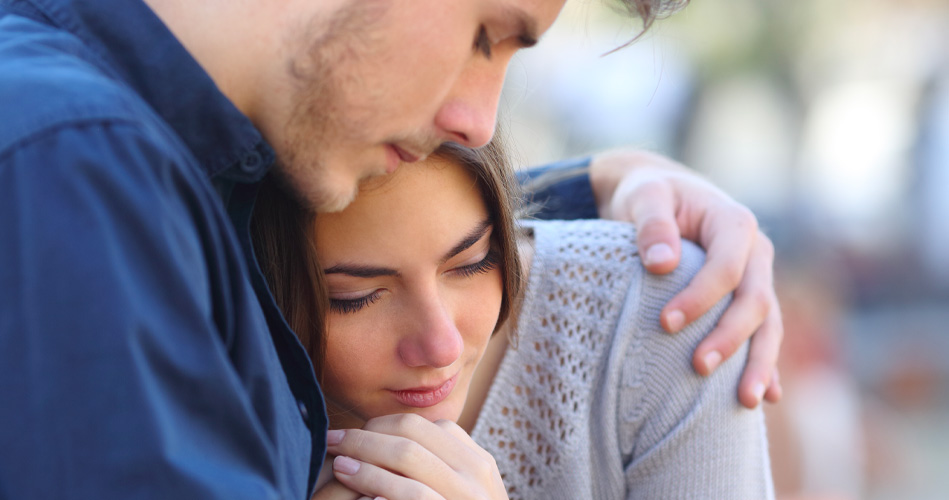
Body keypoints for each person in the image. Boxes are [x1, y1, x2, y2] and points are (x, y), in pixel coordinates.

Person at [0, 0, 780, 498]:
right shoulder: (73, 168)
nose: (478, 120)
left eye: (470, 259)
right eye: (484, 35)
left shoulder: (139, 160)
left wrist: (599, 183)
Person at [251, 137, 774, 499]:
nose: (443, 346)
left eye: (473, 262)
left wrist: (605, 175)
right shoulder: (216, 382)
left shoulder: (660, 315)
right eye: (356, 296)